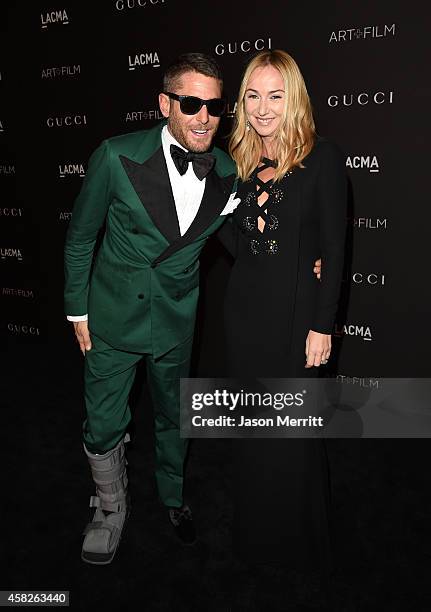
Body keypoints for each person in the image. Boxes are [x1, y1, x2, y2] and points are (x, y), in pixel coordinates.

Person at [64, 53, 237, 564]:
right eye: (191, 103)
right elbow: (80, 238)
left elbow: (245, 243)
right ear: (165, 104)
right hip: (112, 318)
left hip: (177, 322)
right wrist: (78, 312)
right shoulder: (116, 156)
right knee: (102, 423)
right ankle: (109, 508)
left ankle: (172, 496)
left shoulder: (225, 169)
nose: (204, 116)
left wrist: (302, 261)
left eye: (214, 106)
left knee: (173, 416)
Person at [222, 50, 347, 570]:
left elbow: (336, 250)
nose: (263, 107)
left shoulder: (322, 158)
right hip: (244, 315)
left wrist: (323, 324)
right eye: (254, 95)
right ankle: (257, 540)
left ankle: (302, 546)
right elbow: (233, 240)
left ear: (293, 97)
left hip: (298, 320)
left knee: (294, 435)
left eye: (275, 95)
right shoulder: (238, 165)